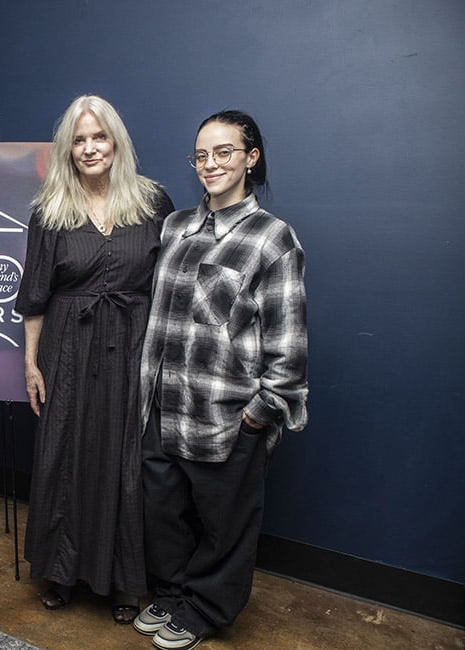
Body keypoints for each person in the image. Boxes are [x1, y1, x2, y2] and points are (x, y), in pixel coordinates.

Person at [133, 110, 308, 650]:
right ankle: (171, 592)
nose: (211, 164)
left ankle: (206, 609)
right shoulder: (175, 226)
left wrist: (262, 412)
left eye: (224, 152)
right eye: (202, 155)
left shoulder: (272, 239)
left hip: (227, 416)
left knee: (223, 525)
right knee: (162, 513)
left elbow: (288, 339)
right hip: (161, 407)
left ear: (250, 158)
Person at [15, 95, 174, 624]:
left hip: (133, 348)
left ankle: (125, 580)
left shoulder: (153, 203)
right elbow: (34, 296)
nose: (89, 148)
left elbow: (171, 286)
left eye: (99, 137)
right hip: (66, 348)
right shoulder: (48, 210)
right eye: (79, 140)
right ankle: (61, 572)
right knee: (65, 456)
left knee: (125, 460)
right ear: (67, 148)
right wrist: (32, 365)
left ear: (116, 142)